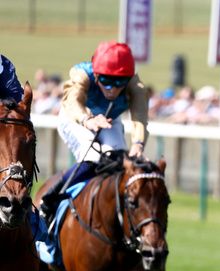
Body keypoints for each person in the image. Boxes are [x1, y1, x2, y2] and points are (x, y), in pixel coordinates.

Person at [39, 41, 149, 221]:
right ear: (96, 75)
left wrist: (138, 144)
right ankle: (49, 199)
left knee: (118, 162)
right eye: (106, 81)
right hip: (76, 117)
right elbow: (72, 101)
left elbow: (140, 116)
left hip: (109, 119)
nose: (113, 90)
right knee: (92, 158)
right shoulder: (82, 74)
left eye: (119, 82)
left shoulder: (136, 86)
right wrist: (87, 119)